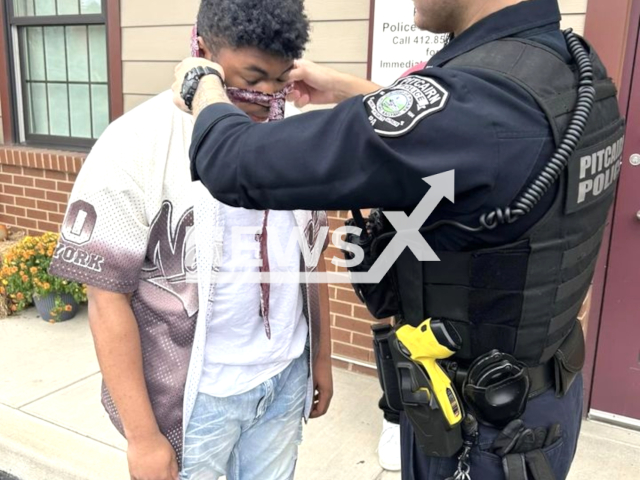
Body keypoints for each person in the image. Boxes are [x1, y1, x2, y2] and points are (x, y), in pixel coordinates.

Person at [172, 0, 625, 478]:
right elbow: (467, 136)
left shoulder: (480, 100)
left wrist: (202, 82)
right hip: (542, 396)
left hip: (480, 432)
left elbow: (234, 161)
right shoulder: (570, 63)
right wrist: (344, 88)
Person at [50, 1, 334, 480]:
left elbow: (310, 260)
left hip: (285, 378)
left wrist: (318, 359)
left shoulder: (293, 139)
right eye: (253, 75)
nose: (267, 93)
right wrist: (143, 438)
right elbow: (105, 298)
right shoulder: (135, 142)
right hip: (194, 397)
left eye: (280, 78)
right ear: (202, 50)